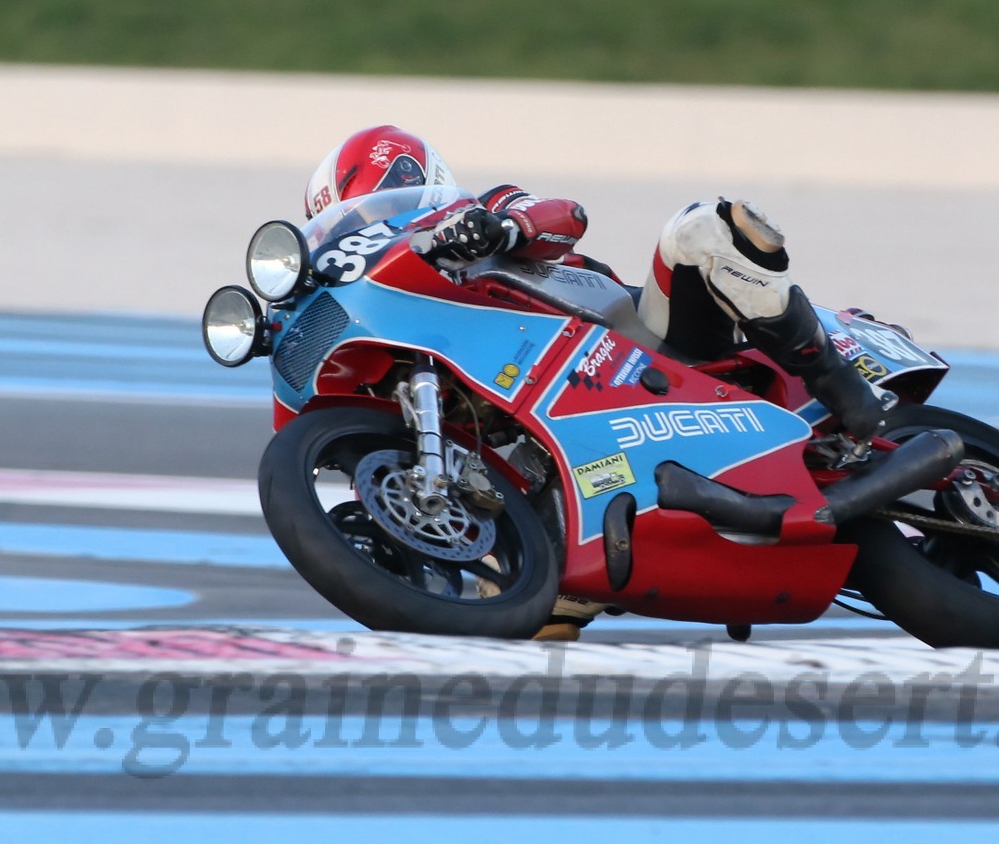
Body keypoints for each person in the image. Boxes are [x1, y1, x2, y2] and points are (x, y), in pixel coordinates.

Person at [306, 125, 888, 638]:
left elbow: (567, 216)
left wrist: (504, 227)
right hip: (567, 456)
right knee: (516, 616)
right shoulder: (400, 350)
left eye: (379, 200)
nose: (371, 225)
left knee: (700, 229)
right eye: (353, 222)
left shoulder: (478, 211)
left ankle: (841, 387)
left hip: (643, 346)